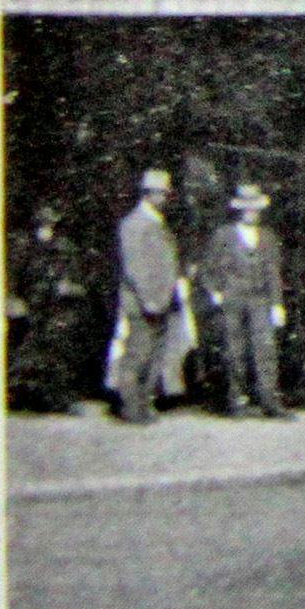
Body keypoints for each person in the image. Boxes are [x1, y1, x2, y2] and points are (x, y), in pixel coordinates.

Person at [198, 181, 289, 418]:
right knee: (233, 350)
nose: (252, 213)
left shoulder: (267, 237)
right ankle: (236, 400)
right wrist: (216, 293)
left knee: (265, 349)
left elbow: (273, 273)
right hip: (232, 299)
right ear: (239, 209)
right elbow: (206, 270)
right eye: (248, 208)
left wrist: (277, 304)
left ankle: (269, 400)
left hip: (260, 299)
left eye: (256, 208)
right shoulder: (224, 235)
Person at [108, 169, 185, 424]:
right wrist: (148, 299)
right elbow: (135, 267)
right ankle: (130, 407)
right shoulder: (134, 224)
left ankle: (144, 404)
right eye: (160, 193)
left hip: (162, 300)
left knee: (154, 355)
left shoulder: (155, 221)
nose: (164, 197)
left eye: (165, 193)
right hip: (145, 302)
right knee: (138, 353)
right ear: (147, 194)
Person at [7, 203, 92, 413]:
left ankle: (57, 400)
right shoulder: (24, 246)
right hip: (31, 309)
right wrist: (12, 300)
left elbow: (80, 282)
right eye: (43, 223)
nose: (47, 227)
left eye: (51, 223)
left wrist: (70, 288)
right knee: (27, 353)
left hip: (58, 310)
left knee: (58, 353)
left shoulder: (65, 248)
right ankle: (23, 398)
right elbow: (12, 277)